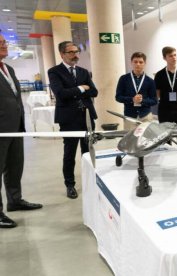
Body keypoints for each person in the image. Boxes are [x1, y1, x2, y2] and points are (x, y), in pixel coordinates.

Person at [0, 34, 42, 228]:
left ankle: (15, 200)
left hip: (15, 128)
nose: (4, 44)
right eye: (0, 42)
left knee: (15, 166)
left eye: (4, 42)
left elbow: (15, 98)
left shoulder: (8, 68)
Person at [48, 41, 98, 199]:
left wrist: (74, 92)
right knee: (69, 154)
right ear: (62, 54)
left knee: (88, 152)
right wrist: (82, 89)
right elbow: (60, 94)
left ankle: (90, 181)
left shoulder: (83, 71)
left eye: (76, 51)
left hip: (86, 117)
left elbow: (95, 92)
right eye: (71, 52)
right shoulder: (55, 72)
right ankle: (70, 185)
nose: (75, 55)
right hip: (68, 119)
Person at [115, 52, 157, 130]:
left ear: (145, 63)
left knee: (145, 141)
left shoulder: (150, 81)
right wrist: (132, 99)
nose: (138, 64)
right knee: (130, 141)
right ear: (131, 63)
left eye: (141, 62)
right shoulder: (124, 79)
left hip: (146, 117)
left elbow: (154, 100)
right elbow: (118, 97)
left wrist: (142, 101)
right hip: (130, 117)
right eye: (135, 62)